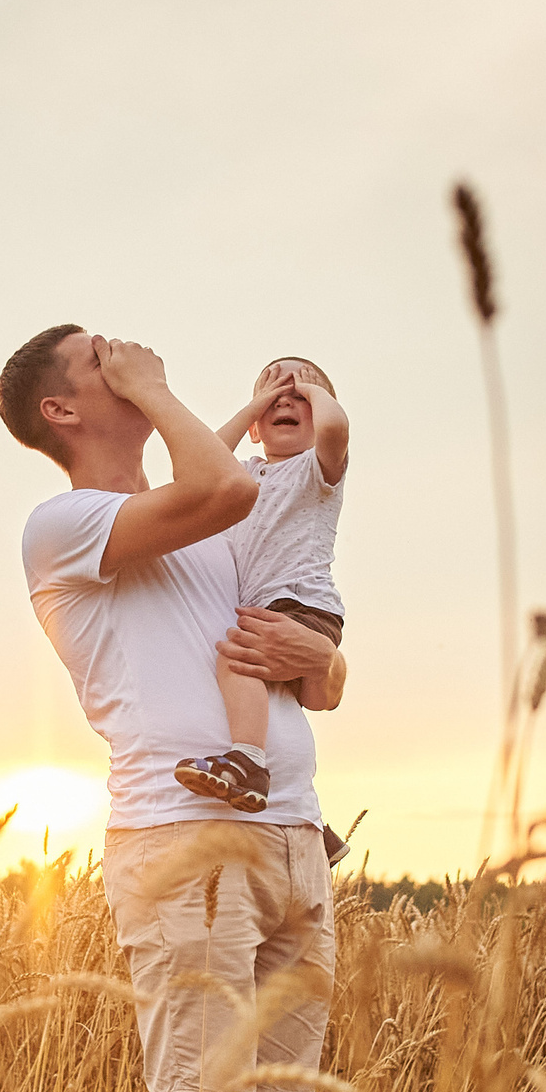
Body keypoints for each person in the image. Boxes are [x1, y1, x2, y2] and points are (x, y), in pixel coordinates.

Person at [0, 324, 346, 1092]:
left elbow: (317, 669)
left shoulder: (201, 526)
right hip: (187, 842)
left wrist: (320, 660)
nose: (128, 359)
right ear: (62, 410)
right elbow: (225, 485)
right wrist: (162, 390)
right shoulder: (67, 526)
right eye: (101, 360)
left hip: (293, 842)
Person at [172, 359, 349, 855]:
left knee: (235, 661)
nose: (286, 396)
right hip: (264, 606)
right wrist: (254, 406)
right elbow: (198, 461)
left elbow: (335, 428)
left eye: (301, 393)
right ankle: (315, 825)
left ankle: (247, 762)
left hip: (300, 605)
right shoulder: (245, 474)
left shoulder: (317, 470)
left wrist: (315, 394)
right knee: (275, 708)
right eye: (274, 391)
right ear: (255, 426)